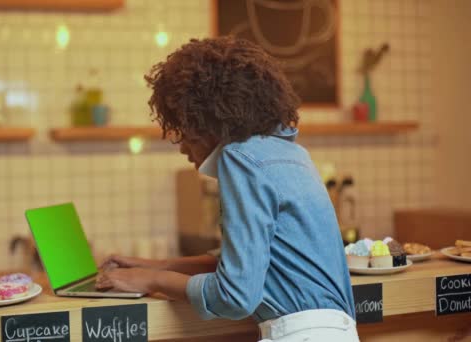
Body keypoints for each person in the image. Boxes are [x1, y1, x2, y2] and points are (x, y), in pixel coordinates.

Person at [96, 36, 358, 341]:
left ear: (209, 119)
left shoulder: (240, 158)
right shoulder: (290, 153)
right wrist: (156, 265)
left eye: (184, 128)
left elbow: (236, 295)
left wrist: (153, 280)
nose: (181, 146)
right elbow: (253, 261)